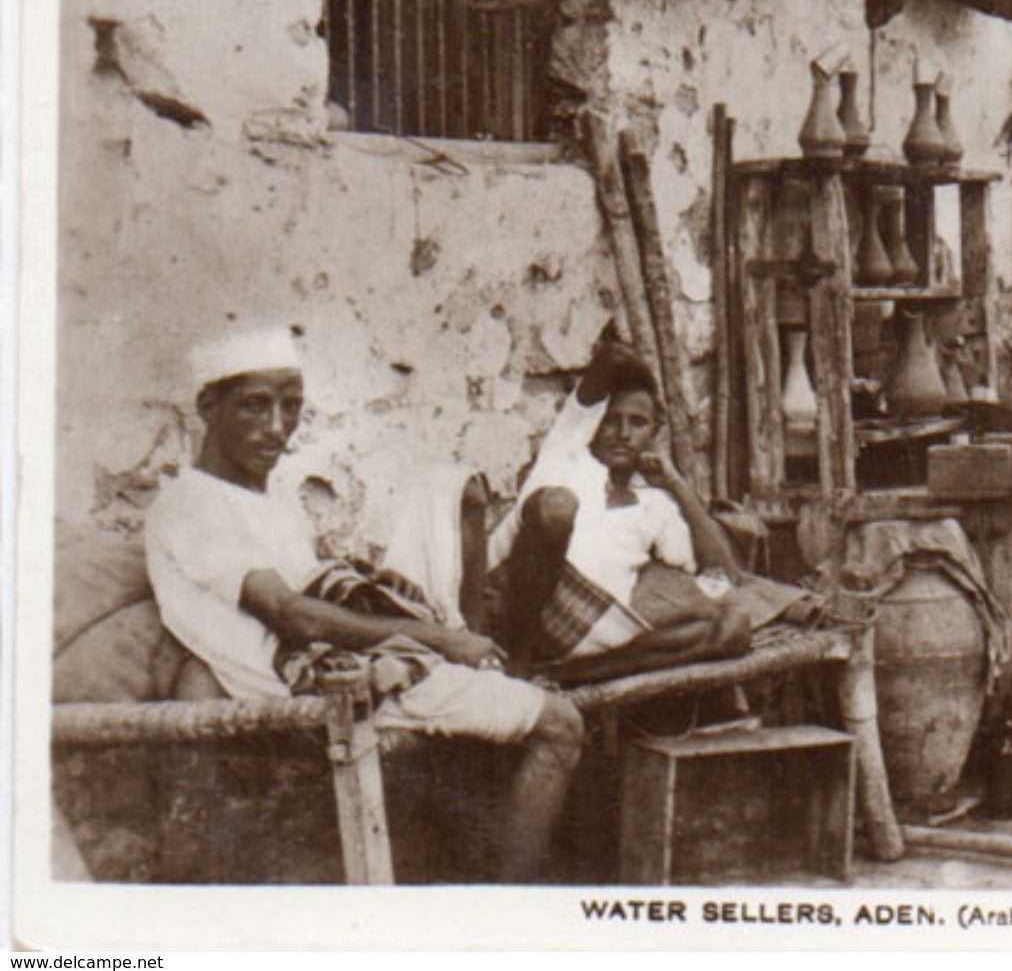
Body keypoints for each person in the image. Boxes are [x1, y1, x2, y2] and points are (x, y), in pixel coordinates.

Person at [146, 327, 584, 883]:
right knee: (561, 725)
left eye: (291, 408)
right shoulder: (192, 504)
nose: (277, 428)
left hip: (340, 660)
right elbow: (290, 613)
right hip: (317, 682)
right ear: (209, 405)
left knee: (450, 495)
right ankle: (506, 915)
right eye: (255, 407)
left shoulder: (267, 499)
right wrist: (439, 640)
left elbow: (315, 592)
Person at [486, 337, 752, 684]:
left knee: (733, 627)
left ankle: (576, 674)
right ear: (593, 423)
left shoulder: (654, 502)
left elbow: (723, 573)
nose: (623, 434)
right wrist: (643, 377)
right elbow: (612, 358)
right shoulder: (566, 451)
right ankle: (520, 663)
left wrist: (677, 485)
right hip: (522, 607)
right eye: (612, 420)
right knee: (558, 506)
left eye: (637, 423)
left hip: (592, 627)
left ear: (654, 431)